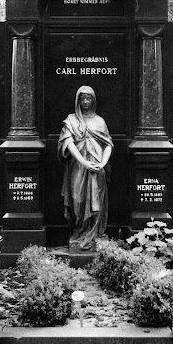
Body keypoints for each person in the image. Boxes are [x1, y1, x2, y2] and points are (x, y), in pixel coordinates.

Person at [57, 86, 113, 250]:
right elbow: (68, 144)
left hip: (96, 168)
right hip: (78, 168)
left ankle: (94, 234)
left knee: (96, 202)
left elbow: (108, 144)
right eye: (82, 99)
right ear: (78, 101)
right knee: (78, 200)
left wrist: (102, 163)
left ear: (93, 100)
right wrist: (83, 162)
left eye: (89, 99)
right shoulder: (71, 120)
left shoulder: (99, 121)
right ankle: (79, 231)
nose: (85, 102)